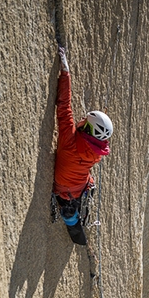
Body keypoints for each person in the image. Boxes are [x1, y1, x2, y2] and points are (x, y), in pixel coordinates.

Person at [53, 46, 113, 245]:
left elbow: (64, 107)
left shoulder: (70, 139)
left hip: (65, 188)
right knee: (76, 201)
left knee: (71, 206)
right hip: (78, 188)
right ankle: (75, 219)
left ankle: (72, 216)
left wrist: (65, 73)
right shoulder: (96, 153)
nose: (81, 119)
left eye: (84, 121)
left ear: (87, 128)